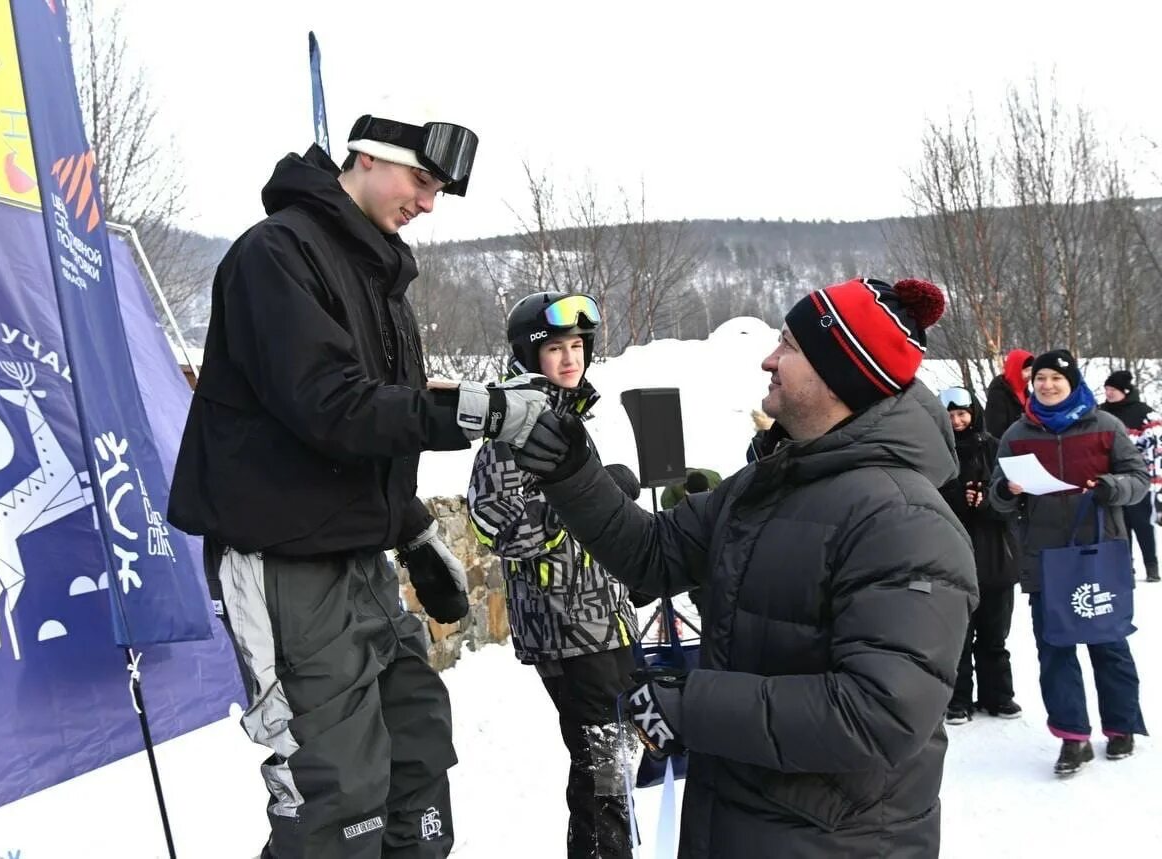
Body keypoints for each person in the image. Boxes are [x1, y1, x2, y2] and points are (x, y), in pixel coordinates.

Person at [167, 113, 549, 859]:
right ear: (368, 156)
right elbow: (329, 404)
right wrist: (473, 410)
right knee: (336, 794)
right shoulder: (275, 255)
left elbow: (366, 440)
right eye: (422, 180)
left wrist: (412, 530)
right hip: (283, 564)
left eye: (439, 190)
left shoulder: (378, 275)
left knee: (415, 747)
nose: (428, 203)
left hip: (359, 560)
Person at [513, 277, 976, 856]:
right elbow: (653, 555)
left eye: (789, 346)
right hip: (735, 819)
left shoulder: (904, 519)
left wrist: (689, 706)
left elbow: (879, 712)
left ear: (840, 373)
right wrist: (571, 470)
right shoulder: (767, 484)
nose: (768, 359)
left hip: (837, 842)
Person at [467, 292, 640, 859]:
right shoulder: (516, 427)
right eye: (555, 349)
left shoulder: (568, 418)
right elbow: (495, 522)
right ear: (527, 356)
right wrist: (583, 501)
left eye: (577, 346)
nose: (570, 359)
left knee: (613, 766)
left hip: (604, 622)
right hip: (567, 627)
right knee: (603, 770)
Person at [989, 350, 1149, 776]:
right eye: (1039, 378)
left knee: (1109, 644)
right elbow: (997, 499)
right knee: (1055, 651)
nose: (1047, 385)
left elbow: (1139, 480)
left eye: (1055, 379)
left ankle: (1120, 726)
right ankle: (1072, 738)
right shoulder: (1017, 434)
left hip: (1100, 553)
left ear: (1072, 382)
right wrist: (1009, 489)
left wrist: (1111, 487)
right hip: (1045, 561)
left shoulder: (1106, 427)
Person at [937, 386, 1022, 725]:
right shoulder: (936, 452)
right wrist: (960, 497)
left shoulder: (995, 448)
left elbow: (1014, 500)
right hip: (951, 555)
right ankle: (956, 700)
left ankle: (998, 696)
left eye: (962, 414)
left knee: (994, 634)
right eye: (951, 416)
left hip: (995, 555)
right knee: (957, 636)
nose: (958, 421)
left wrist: (988, 501)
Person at [1100, 370, 1162, 582]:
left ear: (1125, 391)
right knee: (1119, 526)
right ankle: (1125, 566)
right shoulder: (1100, 413)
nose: (1108, 393)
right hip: (1110, 480)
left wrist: (1152, 478)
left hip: (1137, 479)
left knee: (1142, 524)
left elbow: (1155, 448)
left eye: (1113, 390)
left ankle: (1151, 565)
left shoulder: (1144, 413)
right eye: (1106, 389)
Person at [984, 348, 1033, 438]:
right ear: (1015, 370)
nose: (1030, 374)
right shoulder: (998, 394)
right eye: (1026, 370)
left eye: (1031, 370)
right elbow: (996, 431)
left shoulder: (1026, 392)